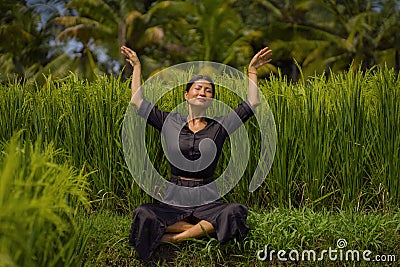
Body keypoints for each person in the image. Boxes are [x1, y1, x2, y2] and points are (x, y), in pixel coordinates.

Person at [120, 45, 272, 261]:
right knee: (143, 214)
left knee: (234, 212)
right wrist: (136, 66)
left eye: (208, 91)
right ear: (187, 94)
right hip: (174, 196)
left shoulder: (220, 126)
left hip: (207, 196)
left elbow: (252, 103)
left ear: (211, 100)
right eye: (198, 88)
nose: (203, 92)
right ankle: (201, 231)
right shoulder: (169, 122)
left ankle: (173, 238)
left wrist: (252, 71)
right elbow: (137, 101)